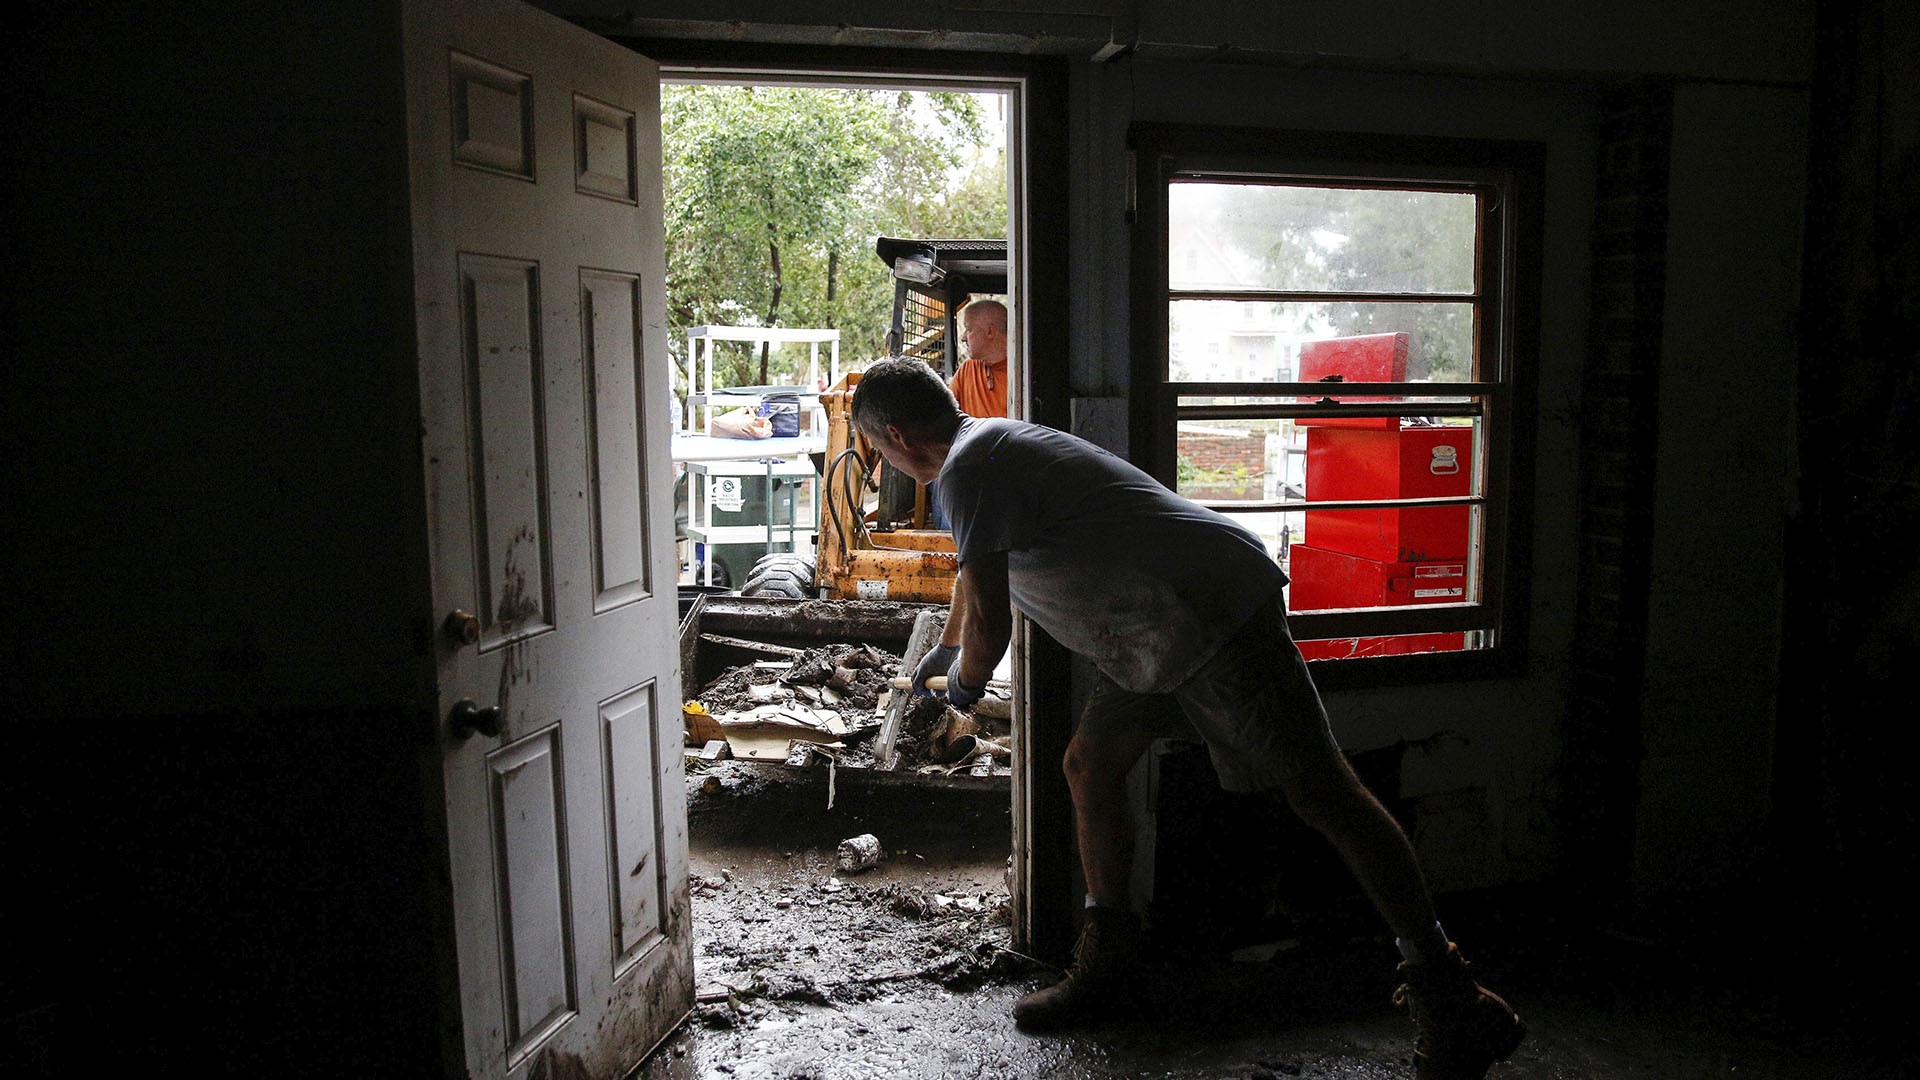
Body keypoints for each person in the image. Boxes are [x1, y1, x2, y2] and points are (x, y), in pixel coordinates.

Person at [850, 358, 1525, 1080]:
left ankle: (1453, 996)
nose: (887, 463)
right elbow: (976, 577)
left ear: (893, 435)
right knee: (1090, 764)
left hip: (1208, 614)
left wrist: (962, 681)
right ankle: (1110, 966)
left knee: (1323, 792)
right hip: (1150, 634)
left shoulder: (966, 468)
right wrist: (947, 646)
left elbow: (991, 626)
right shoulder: (983, 448)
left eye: (881, 452)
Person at [949, 298, 1009, 418]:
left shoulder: (1020, 373)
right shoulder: (967, 368)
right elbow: (943, 409)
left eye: (969, 329)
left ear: (990, 332)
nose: (963, 338)